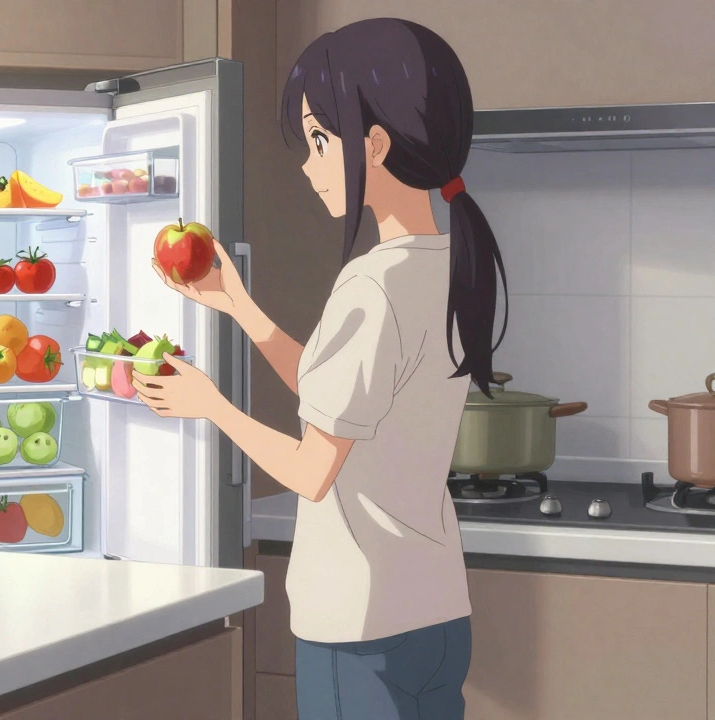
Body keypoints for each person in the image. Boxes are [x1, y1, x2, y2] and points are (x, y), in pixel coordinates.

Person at [131, 17, 508, 720]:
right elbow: (348, 397)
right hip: (434, 612)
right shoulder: (445, 266)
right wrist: (240, 307)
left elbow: (312, 469)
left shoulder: (370, 285)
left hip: (359, 622)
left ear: (375, 144)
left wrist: (211, 404)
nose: (307, 165)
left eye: (318, 140)